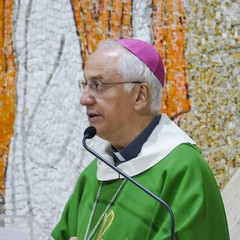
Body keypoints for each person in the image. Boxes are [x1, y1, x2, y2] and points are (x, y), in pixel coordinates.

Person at [51, 39, 229, 240]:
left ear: (140, 96)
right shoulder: (94, 175)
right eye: (85, 85)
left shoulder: (184, 170)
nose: (84, 99)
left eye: (98, 85)